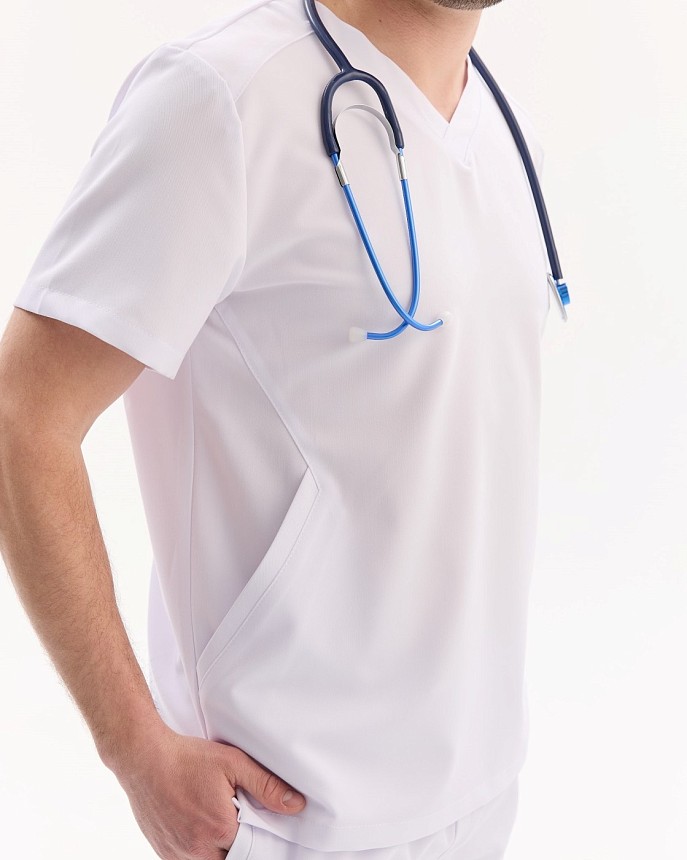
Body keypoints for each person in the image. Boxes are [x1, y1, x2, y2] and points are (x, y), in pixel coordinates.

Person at [0, 0, 552, 857]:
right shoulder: (221, 97)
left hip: (479, 796)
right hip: (288, 812)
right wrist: (134, 749)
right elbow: (23, 416)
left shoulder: (494, 118)